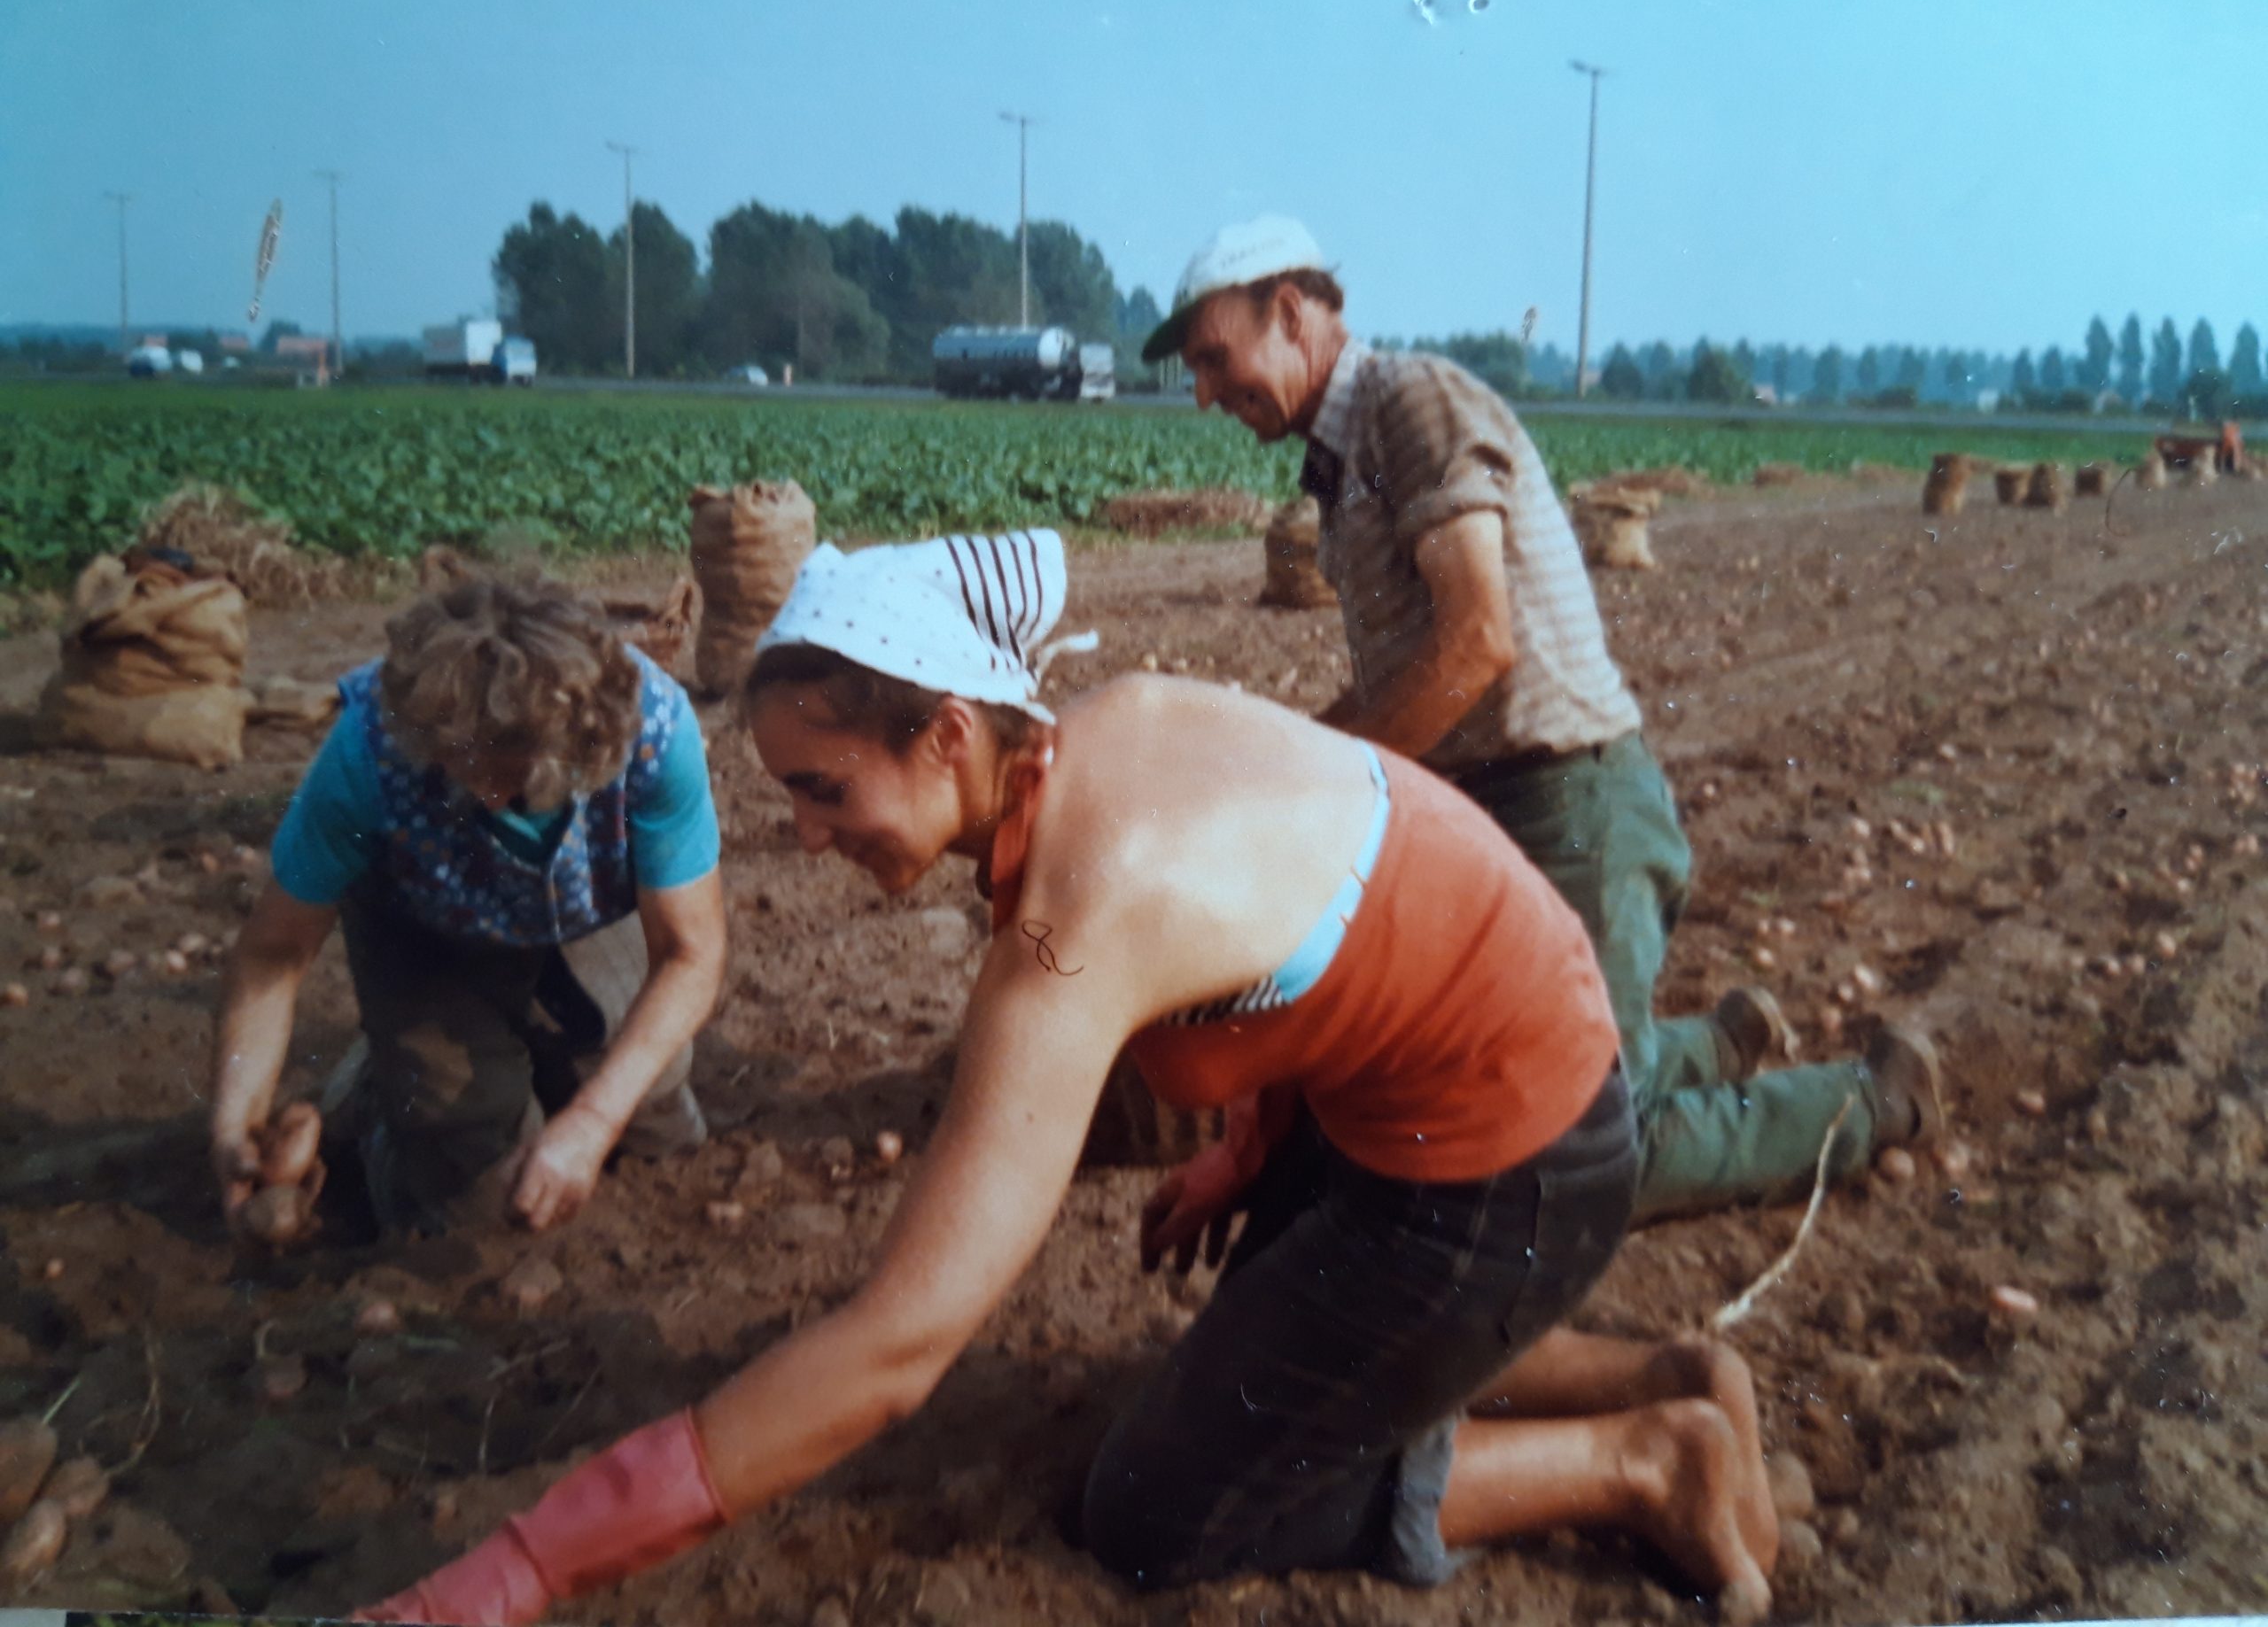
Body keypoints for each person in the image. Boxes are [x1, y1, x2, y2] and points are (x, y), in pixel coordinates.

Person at [353, 530, 1777, 1625]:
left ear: (950, 735)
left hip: (1511, 1166)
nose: (801, 833)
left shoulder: (1075, 925)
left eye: (825, 787)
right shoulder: (1107, 735)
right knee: (1294, 1345)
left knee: (1161, 1514)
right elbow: (1309, 918)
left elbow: (894, 1353)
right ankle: (1666, 1367)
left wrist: (522, 1569)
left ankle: (1651, 1459)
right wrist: (1243, 1137)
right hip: (1428, 1092)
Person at [1140, 214, 1942, 1220]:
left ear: (1292, 315)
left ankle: (1875, 1101)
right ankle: (1710, 1047)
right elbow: (1407, 675)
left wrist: (1323, 788)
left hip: (1573, 804)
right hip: (1503, 809)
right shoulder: (1343, 457)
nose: (1205, 393)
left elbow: (1477, 639)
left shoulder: (1408, 401)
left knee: (1585, 1156)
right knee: (1490, 1089)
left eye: (1215, 358)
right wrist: (1292, 761)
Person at [209, 571, 723, 1238]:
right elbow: (274, 954)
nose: (479, 793)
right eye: (455, 761)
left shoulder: (653, 733)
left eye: (505, 772)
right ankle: (377, 1099)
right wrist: (232, 1124)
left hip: (582, 910)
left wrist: (594, 1120)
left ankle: (434, 1067)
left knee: (652, 1112)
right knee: (475, 1186)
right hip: (422, 925)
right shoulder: (368, 752)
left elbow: (690, 953)